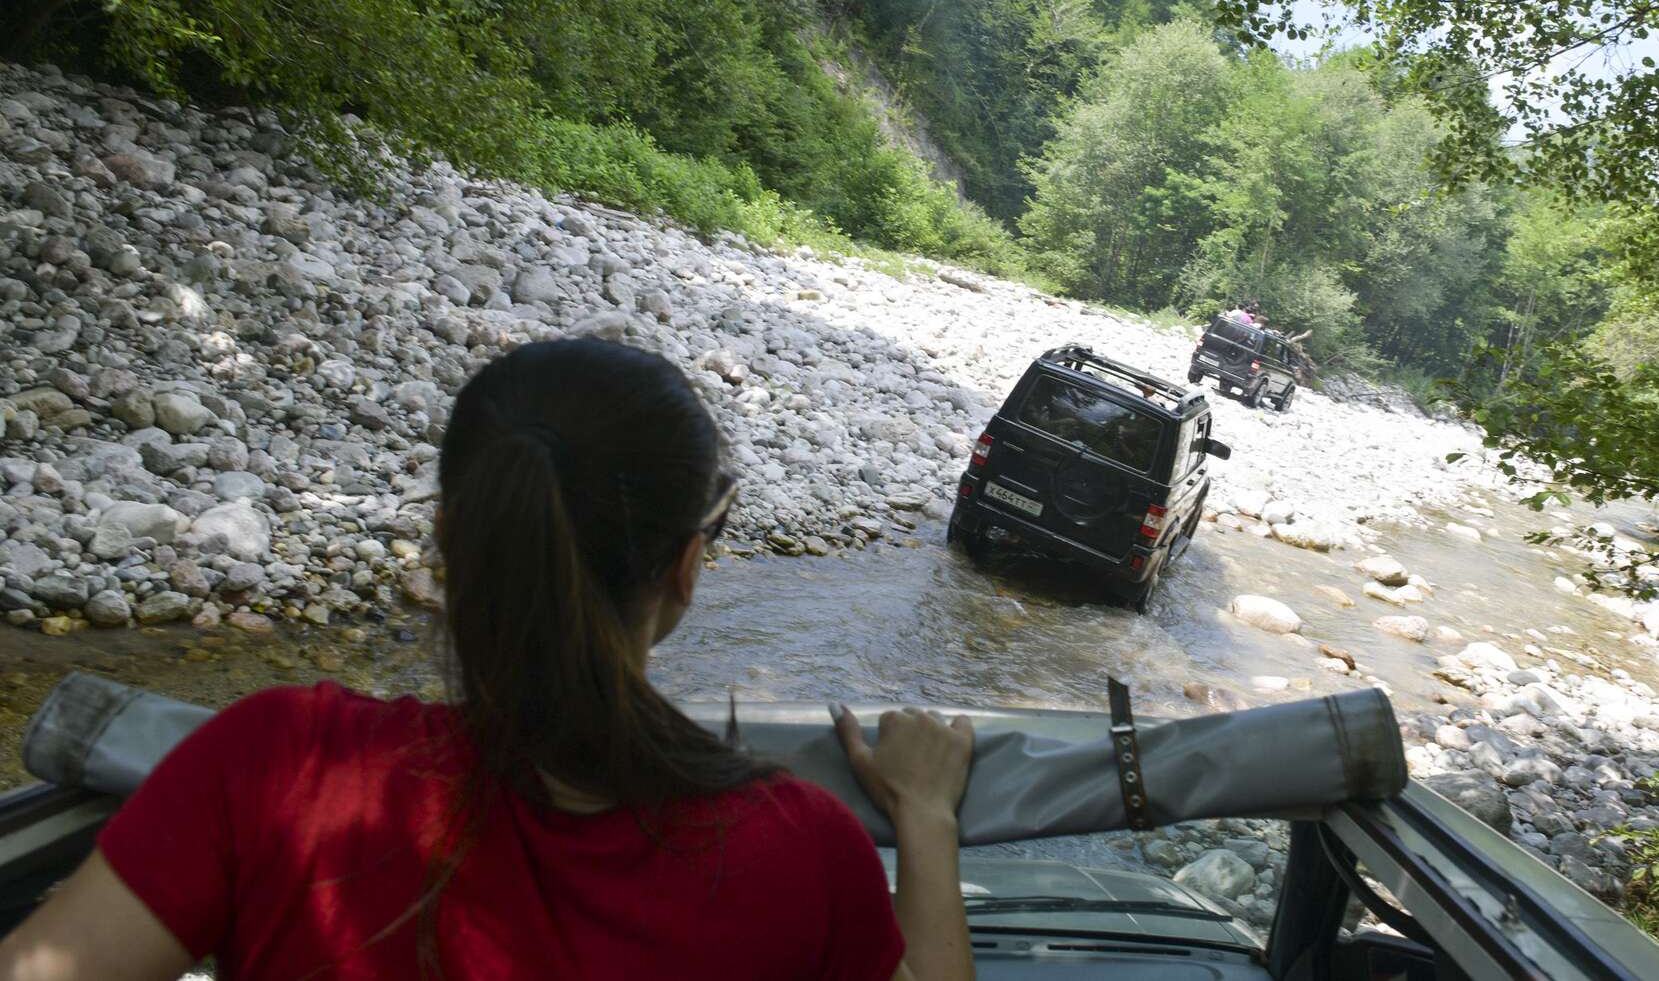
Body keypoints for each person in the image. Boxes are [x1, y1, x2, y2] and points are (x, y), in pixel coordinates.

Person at [0, 339, 978, 981]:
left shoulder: (278, 764)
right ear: (686, 566)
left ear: (450, 545)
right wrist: (925, 815)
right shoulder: (799, 852)